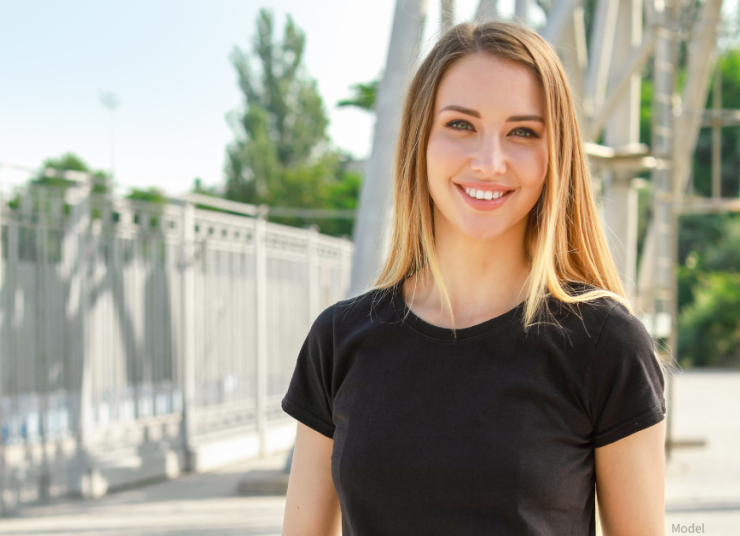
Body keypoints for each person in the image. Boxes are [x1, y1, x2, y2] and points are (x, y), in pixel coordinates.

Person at [279, 20, 668, 536]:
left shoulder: (604, 345)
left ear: (556, 158)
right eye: (461, 125)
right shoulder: (339, 340)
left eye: (523, 132)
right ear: (421, 139)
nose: (490, 162)